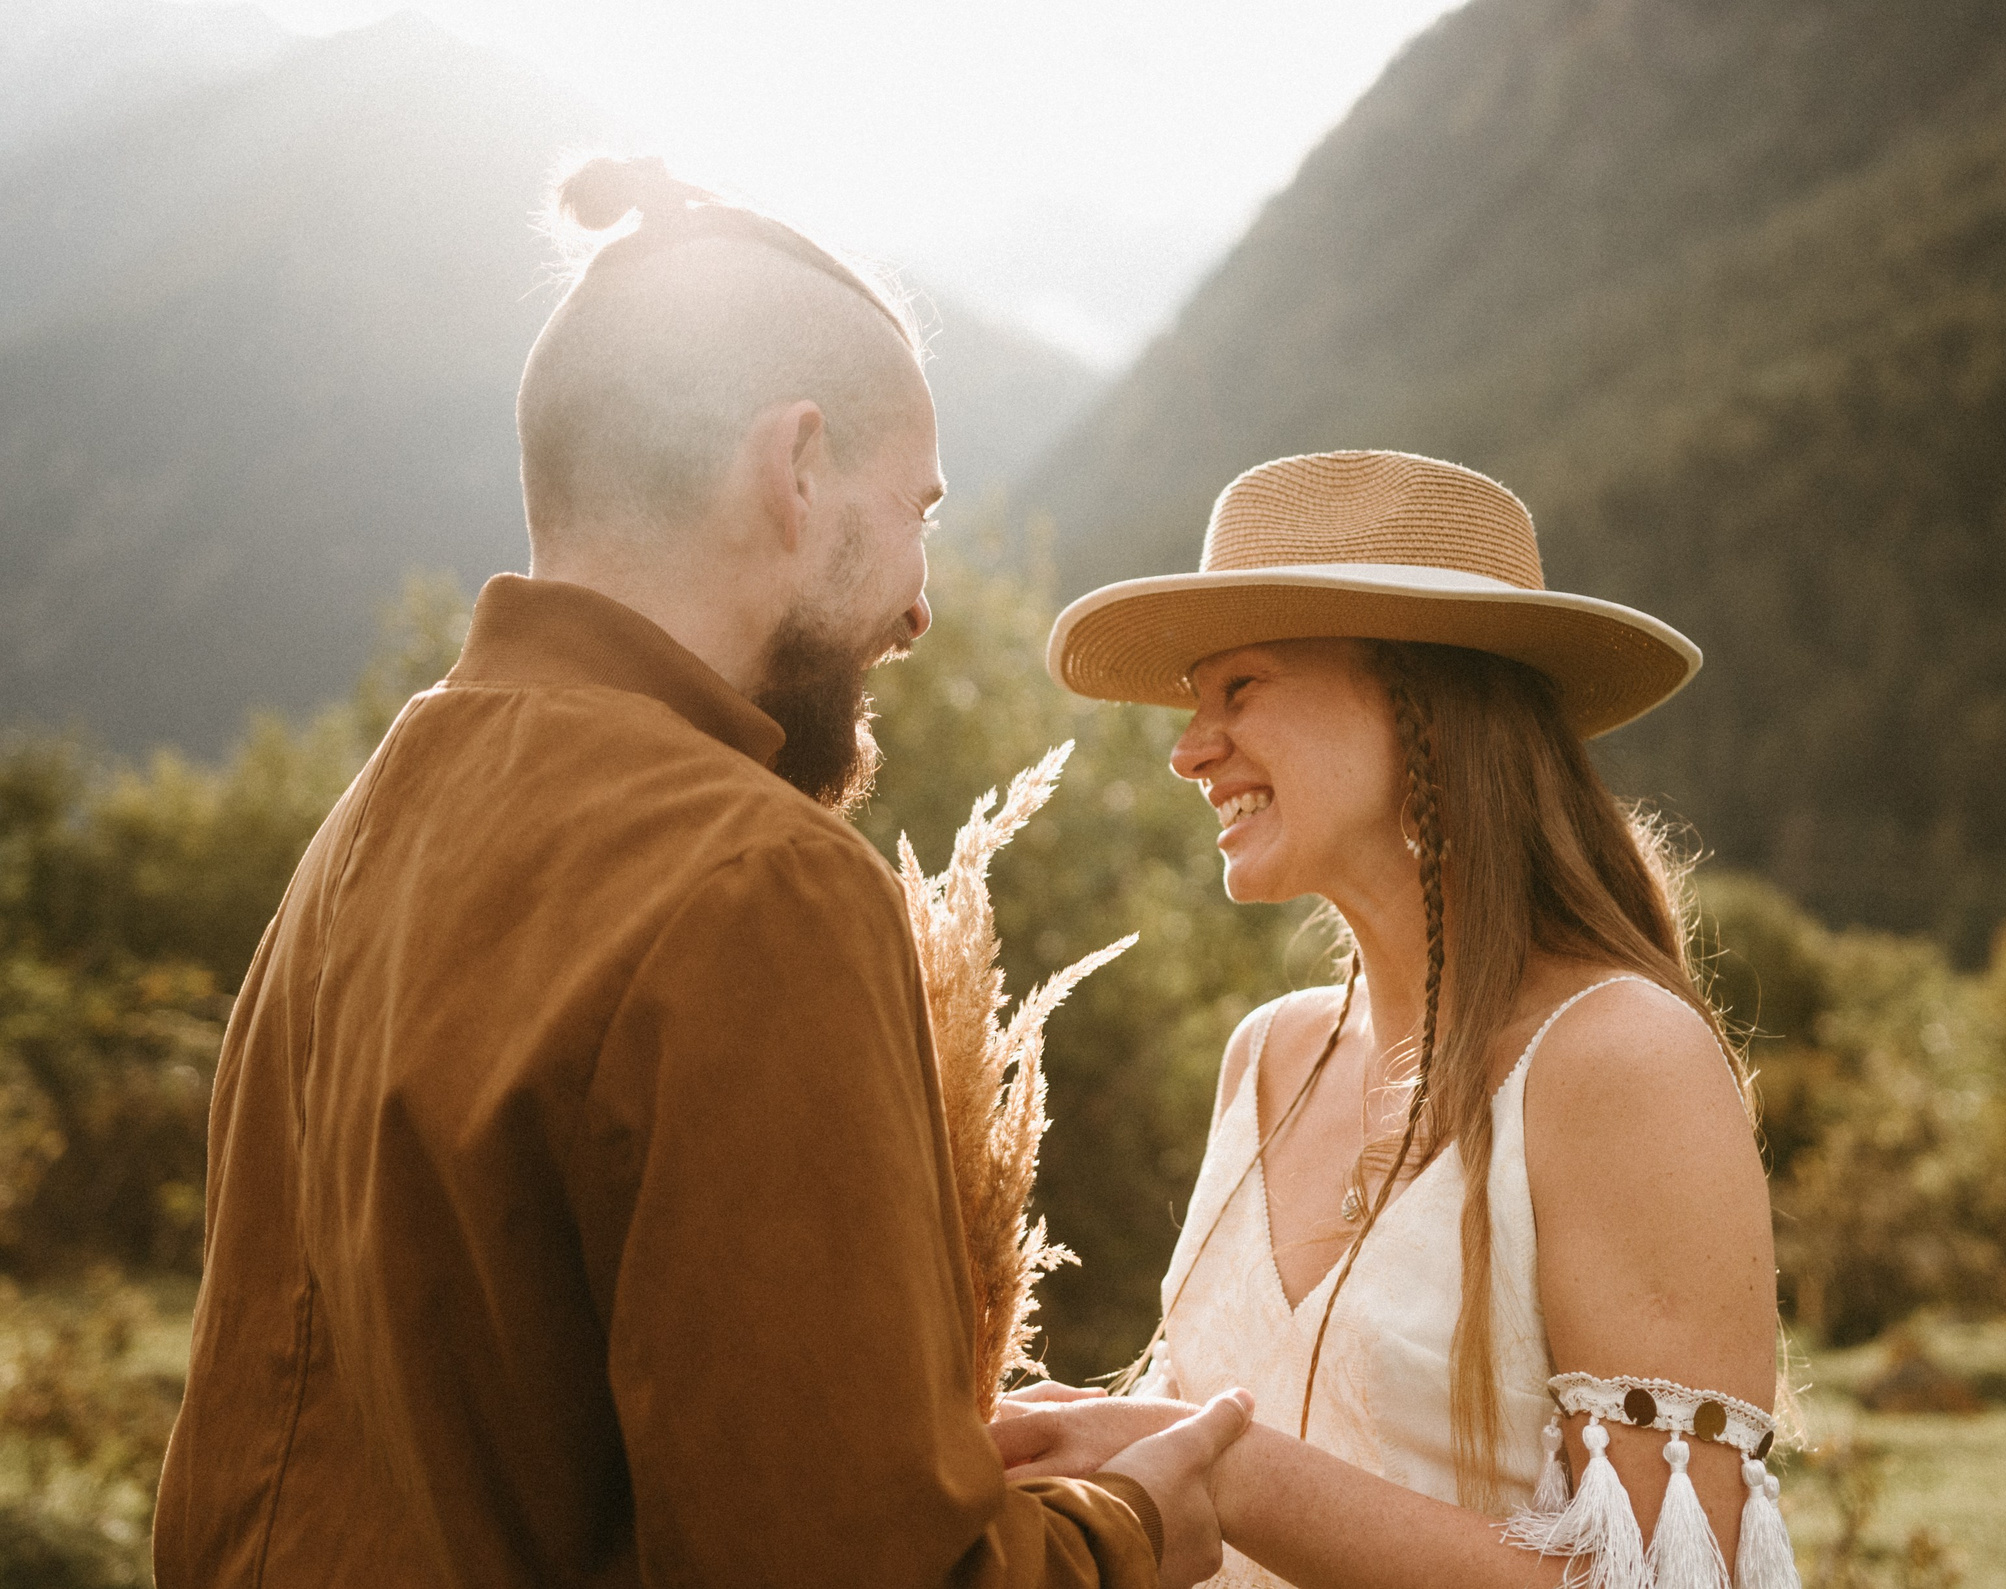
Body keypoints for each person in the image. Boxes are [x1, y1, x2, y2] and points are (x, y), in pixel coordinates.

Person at [153, 156, 1246, 1589]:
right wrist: (1134, 1527)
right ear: (793, 469)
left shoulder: (368, 826)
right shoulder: (761, 883)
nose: (921, 603)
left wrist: (909, 1442)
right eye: (916, 508)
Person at [1003, 451, 1799, 1589]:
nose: (1186, 749)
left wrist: (1233, 1476)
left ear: (1419, 695)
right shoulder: (1264, 1057)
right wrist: (1107, 1438)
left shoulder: (1616, 1057)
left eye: (1240, 687)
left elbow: (1679, 1581)